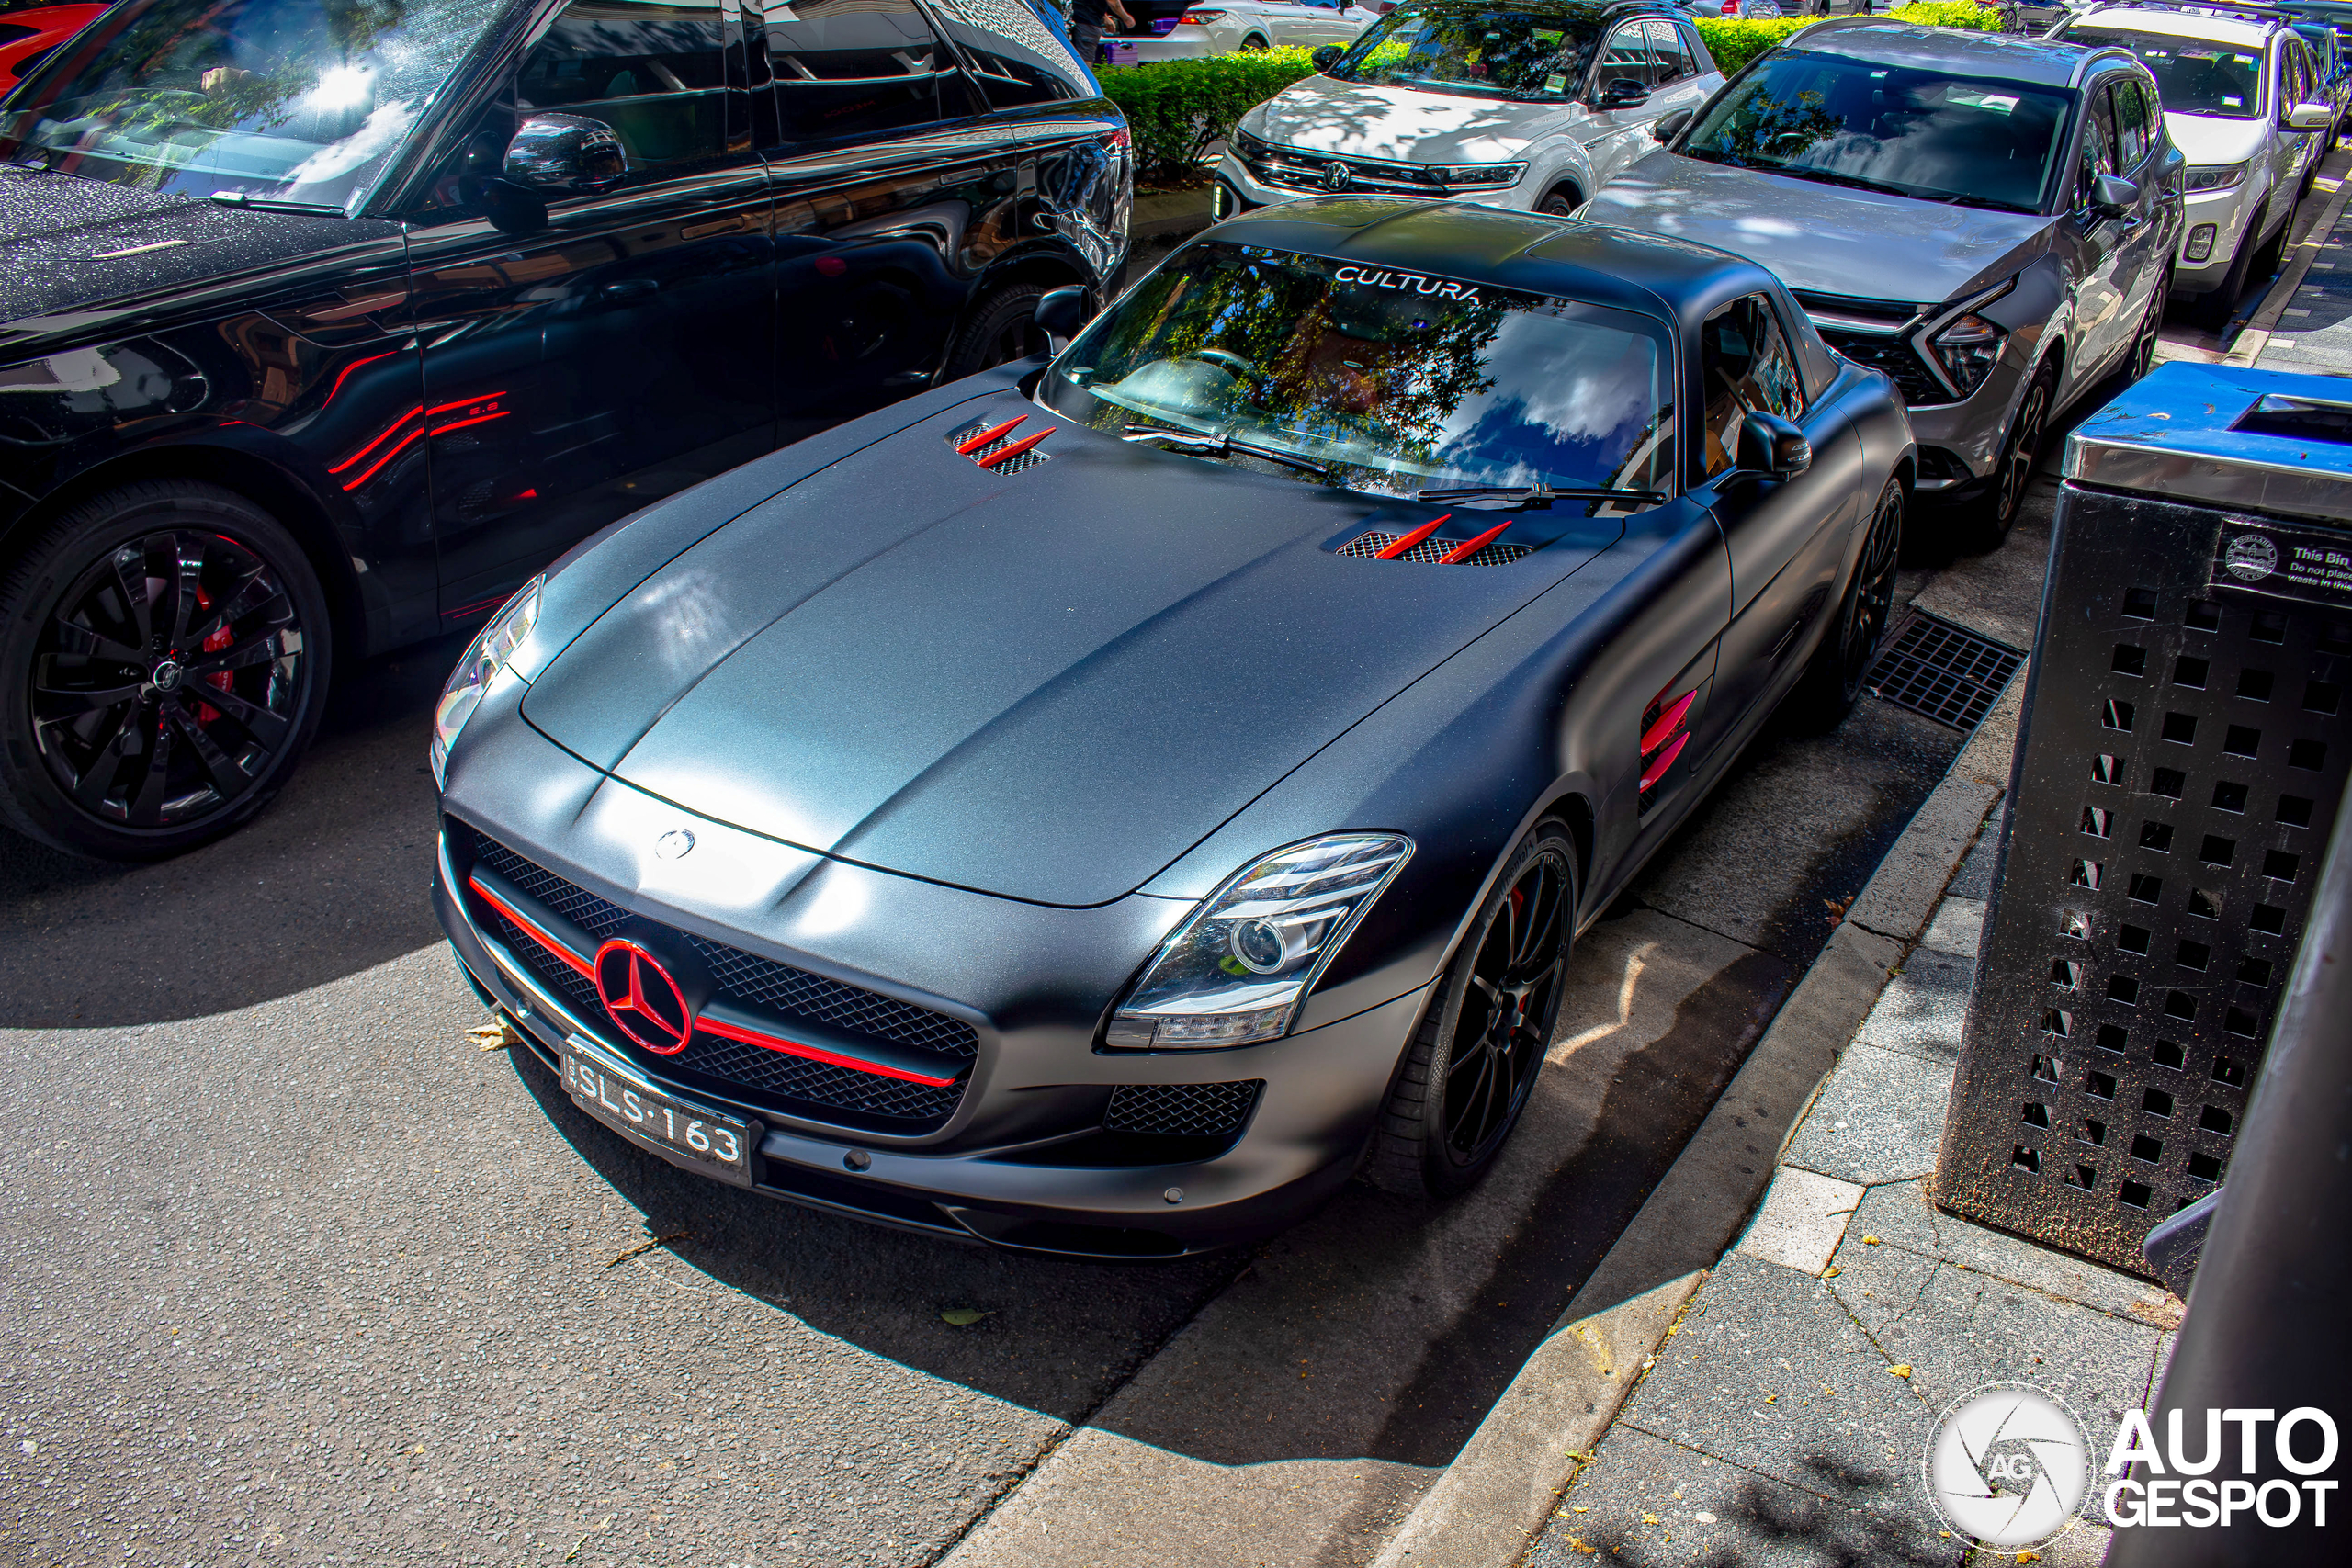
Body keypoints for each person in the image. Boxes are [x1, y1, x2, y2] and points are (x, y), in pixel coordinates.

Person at [1070, 0, 1134, 66]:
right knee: (1085, 61)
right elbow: (1114, 3)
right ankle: (1083, 76)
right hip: (1087, 23)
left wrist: (1105, 18)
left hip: (1075, 19)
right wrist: (1127, 19)